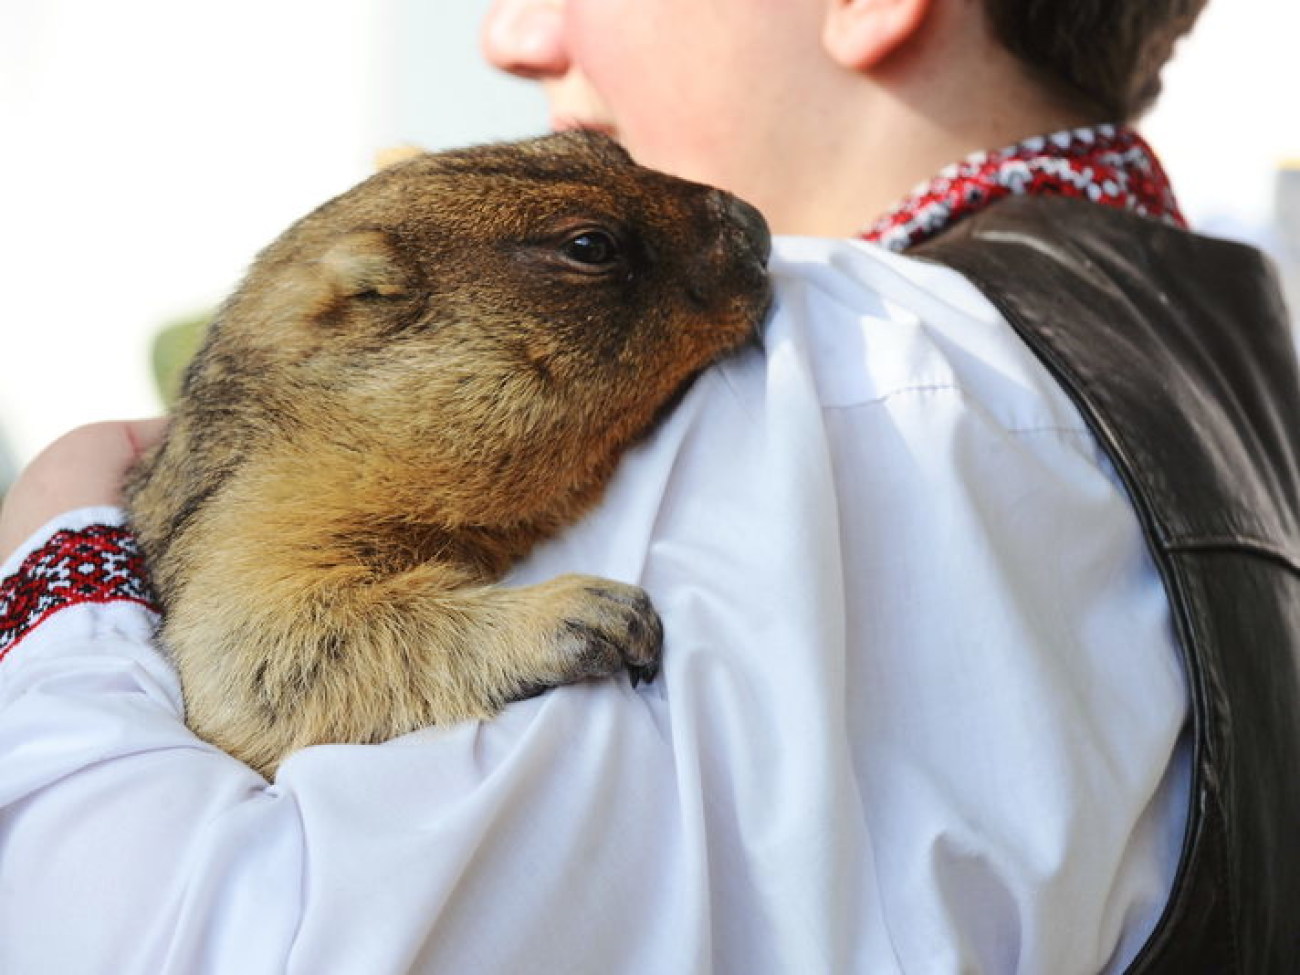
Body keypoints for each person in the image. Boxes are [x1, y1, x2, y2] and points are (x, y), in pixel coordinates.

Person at [1, 0, 1296, 971]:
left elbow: (200, 941)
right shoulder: (1210, 351)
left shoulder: (850, 378)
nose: (513, 33)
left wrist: (54, 580)